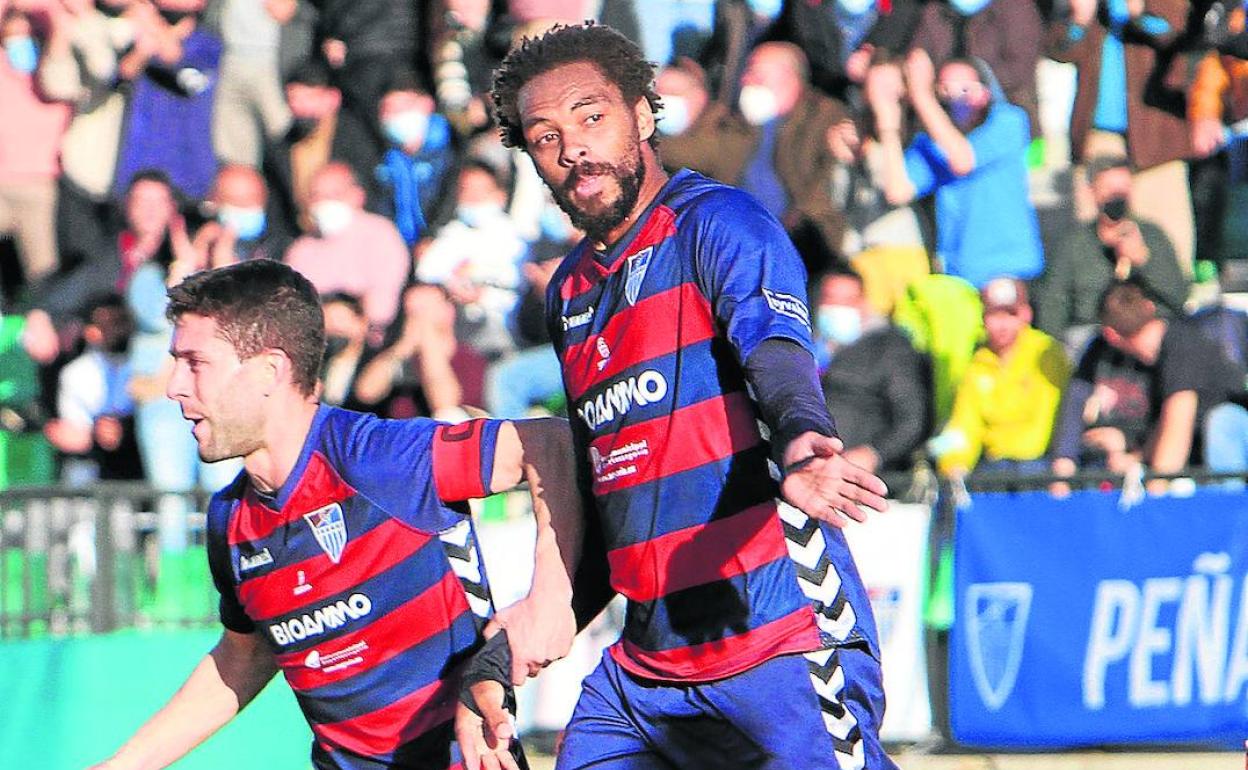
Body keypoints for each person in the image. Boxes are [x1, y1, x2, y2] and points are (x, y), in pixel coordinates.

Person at [465, 22, 896, 770]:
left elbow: (777, 355)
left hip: (777, 634)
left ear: (642, 114)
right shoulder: (568, 292)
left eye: (591, 117)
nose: (572, 149)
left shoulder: (719, 224)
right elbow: (611, 506)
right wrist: (514, 646)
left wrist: (801, 437)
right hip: (647, 673)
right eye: (545, 136)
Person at [89, 259, 582, 770]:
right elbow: (244, 657)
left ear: (269, 370)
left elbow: (550, 444)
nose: (174, 387)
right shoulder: (230, 520)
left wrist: (550, 598)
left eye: (196, 362)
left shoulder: (375, 459)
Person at [871, 49, 1043, 289]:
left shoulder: (1008, 120)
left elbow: (963, 160)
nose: (955, 95)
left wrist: (921, 95)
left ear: (986, 90)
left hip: (1010, 268)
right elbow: (898, 190)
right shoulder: (931, 144)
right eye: (945, 87)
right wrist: (887, 123)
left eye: (965, 87)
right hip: (960, 275)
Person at [1050, 280, 1248, 490]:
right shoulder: (1098, 351)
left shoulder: (1183, 345)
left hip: (1200, 460)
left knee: (1223, 421)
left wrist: (1155, 493)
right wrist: (1062, 479)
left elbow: (1176, 428)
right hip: (1121, 462)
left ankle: (1230, 513)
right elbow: (1074, 408)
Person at [1034, 154, 1189, 357]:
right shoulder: (1073, 244)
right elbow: (1052, 303)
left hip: (1148, 335)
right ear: (1092, 192)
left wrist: (1144, 261)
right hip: (1093, 337)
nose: (1117, 197)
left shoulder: (1152, 236)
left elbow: (1179, 296)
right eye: (1109, 190)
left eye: (1123, 189)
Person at [929, 277, 1070, 478]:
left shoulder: (1046, 354)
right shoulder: (978, 365)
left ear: (1026, 314)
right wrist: (954, 463)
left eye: (1011, 314)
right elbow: (964, 423)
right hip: (994, 464)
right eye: (994, 315)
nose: (1002, 324)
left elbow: (1056, 413)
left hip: (1040, 463)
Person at [814, 268, 930, 474]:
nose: (837, 309)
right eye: (830, 299)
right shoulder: (803, 349)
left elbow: (911, 419)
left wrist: (874, 453)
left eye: (847, 301)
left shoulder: (890, 349)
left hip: (863, 474)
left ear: (863, 304)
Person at [283, 162, 409, 332]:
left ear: (358, 196)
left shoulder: (381, 234)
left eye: (334, 194)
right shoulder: (301, 250)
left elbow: (382, 306)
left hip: (369, 334)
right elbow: (291, 308)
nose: (323, 202)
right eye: (316, 195)